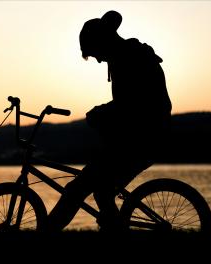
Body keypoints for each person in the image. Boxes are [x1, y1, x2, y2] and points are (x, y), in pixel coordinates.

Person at [47, 10, 172, 232]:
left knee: (81, 190)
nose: (97, 59)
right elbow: (131, 105)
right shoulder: (127, 56)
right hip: (141, 136)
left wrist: (101, 112)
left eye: (95, 52)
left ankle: (46, 232)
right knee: (100, 190)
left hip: (143, 138)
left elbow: (133, 103)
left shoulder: (129, 59)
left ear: (102, 42)